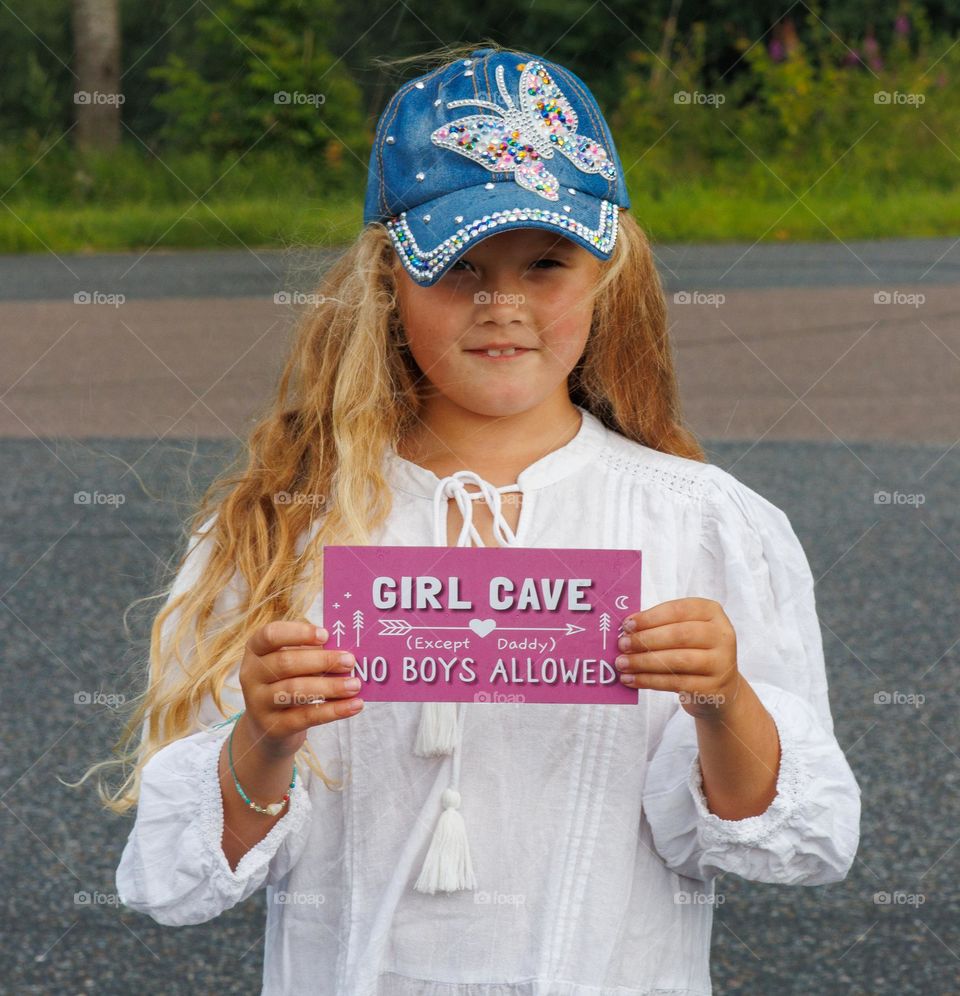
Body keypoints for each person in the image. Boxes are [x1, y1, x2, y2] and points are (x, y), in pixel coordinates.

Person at [97, 43, 860, 995]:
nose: (503, 306)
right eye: (458, 266)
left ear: (608, 271)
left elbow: (799, 842)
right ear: (387, 280)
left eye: (546, 263)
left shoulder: (703, 523)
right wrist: (266, 737)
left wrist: (724, 701)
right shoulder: (286, 525)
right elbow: (175, 877)